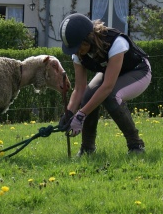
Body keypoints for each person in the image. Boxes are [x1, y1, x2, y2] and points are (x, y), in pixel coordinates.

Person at [58, 13, 152, 155]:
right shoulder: (78, 54)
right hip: (111, 73)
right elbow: (79, 89)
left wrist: (81, 115)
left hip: (138, 71)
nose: (76, 53)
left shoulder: (116, 42)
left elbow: (107, 87)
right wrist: (69, 113)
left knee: (110, 96)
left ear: (88, 38)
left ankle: (135, 145)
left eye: (78, 47)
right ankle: (87, 149)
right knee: (88, 97)